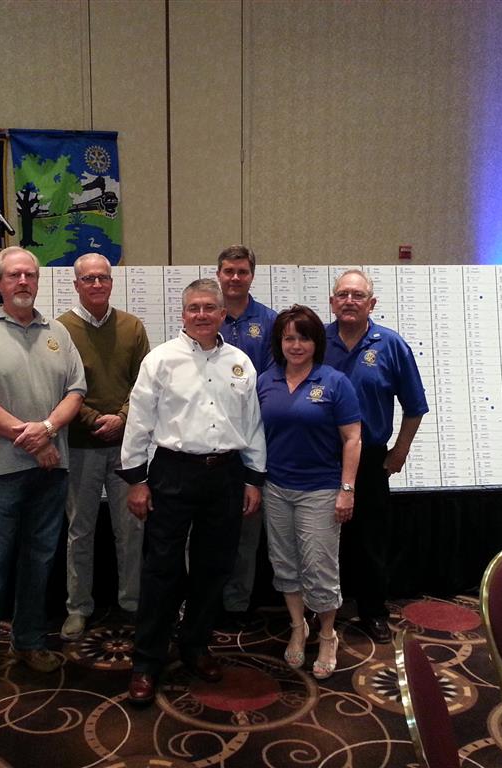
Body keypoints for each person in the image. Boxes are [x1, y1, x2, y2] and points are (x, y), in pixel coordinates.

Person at [118, 278, 267, 706]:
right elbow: (139, 421)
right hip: (173, 472)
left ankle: (195, 645)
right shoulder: (161, 360)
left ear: (222, 313)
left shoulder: (240, 362)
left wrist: (253, 479)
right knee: (161, 569)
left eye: (209, 308)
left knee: (213, 567)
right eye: (193, 308)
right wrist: (136, 480)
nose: (201, 315)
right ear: (182, 314)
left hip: (225, 476)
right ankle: (147, 661)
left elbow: (252, 423)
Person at [0, 246, 87, 690]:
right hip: (1, 471)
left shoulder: (58, 332)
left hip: (51, 469)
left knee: (40, 559)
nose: (24, 281)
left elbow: (76, 391)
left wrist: (47, 429)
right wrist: (33, 439)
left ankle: (28, 642)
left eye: (30, 274)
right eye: (14, 275)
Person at [258, 305, 361, 679]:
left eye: (304, 338)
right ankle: (297, 627)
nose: (296, 345)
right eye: (289, 338)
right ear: (279, 342)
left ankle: (328, 634)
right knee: (285, 564)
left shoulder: (334, 382)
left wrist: (346, 489)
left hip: (319, 491)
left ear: (316, 342)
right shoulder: (265, 381)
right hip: (276, 489)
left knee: (319, 567)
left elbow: (353, 438)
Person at [325, 269, 428, 644]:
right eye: (343, 294)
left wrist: (400, 451)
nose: (349, 301)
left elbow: (415, 406)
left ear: (372, 303)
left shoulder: (391, 345)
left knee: (371, 540)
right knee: (322, 538)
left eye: (358, 295)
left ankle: (373, 611)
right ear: (332, 302)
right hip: (322, 458)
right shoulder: (317, 341)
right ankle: (324, 610)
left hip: (370, 460)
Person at [57, 253, 150, 640]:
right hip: (80, 445)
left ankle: (132, 601)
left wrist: (122, 418)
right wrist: (96, 420)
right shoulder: (60, 330)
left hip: (127, 447)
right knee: (80, 530)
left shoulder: (132, 327)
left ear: (112, 282)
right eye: (88, 279)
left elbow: (144, 384)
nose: (97, 284)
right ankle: (78, 607)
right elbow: (61, 387)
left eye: (103, 278)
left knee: (130, 529)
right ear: (76, 285)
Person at [215, 245, 278, 627]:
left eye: (242, 271)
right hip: (209, 440)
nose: (235, 278)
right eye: (228, 271)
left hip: (253, 437)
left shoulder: (269, 322)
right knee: (209, 529)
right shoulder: (208, 315)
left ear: (252, 275)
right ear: (218, 274)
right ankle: (206, 600)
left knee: (247, 528)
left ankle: (237, 604)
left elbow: (272, 379)